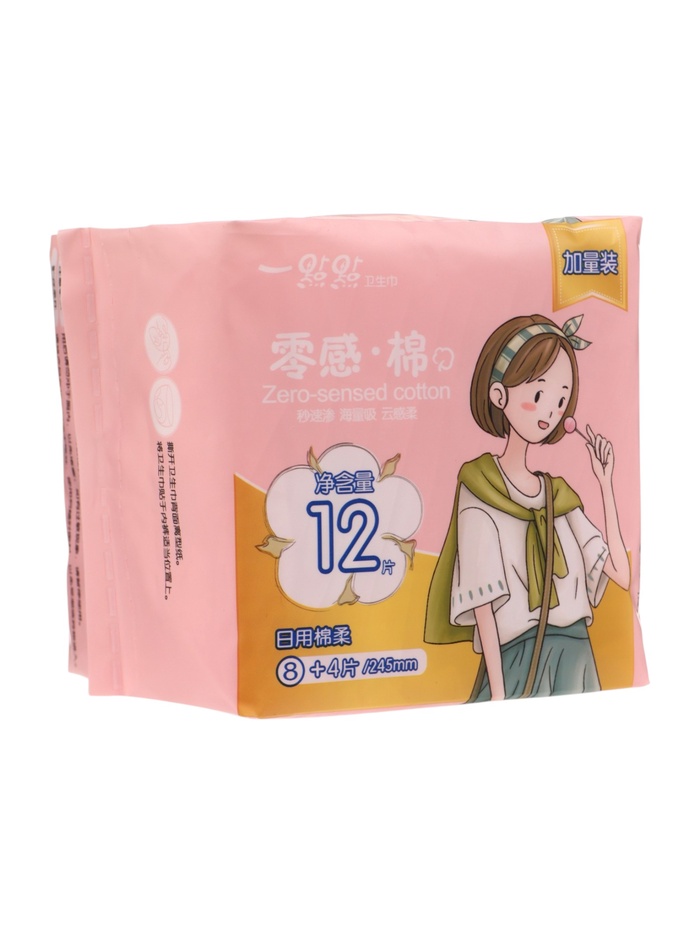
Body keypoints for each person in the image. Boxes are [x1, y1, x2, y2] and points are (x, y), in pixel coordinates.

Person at [424, 314, 630, 701]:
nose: (550, 412)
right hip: (517, 659)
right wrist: (499, 696)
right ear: (498, 395)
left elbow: (621, 574)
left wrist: (606, 484)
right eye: (537, 396)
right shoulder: (480, 487)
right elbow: (483, 601)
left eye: (561, 400)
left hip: (577, 657)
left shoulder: (558, 495)